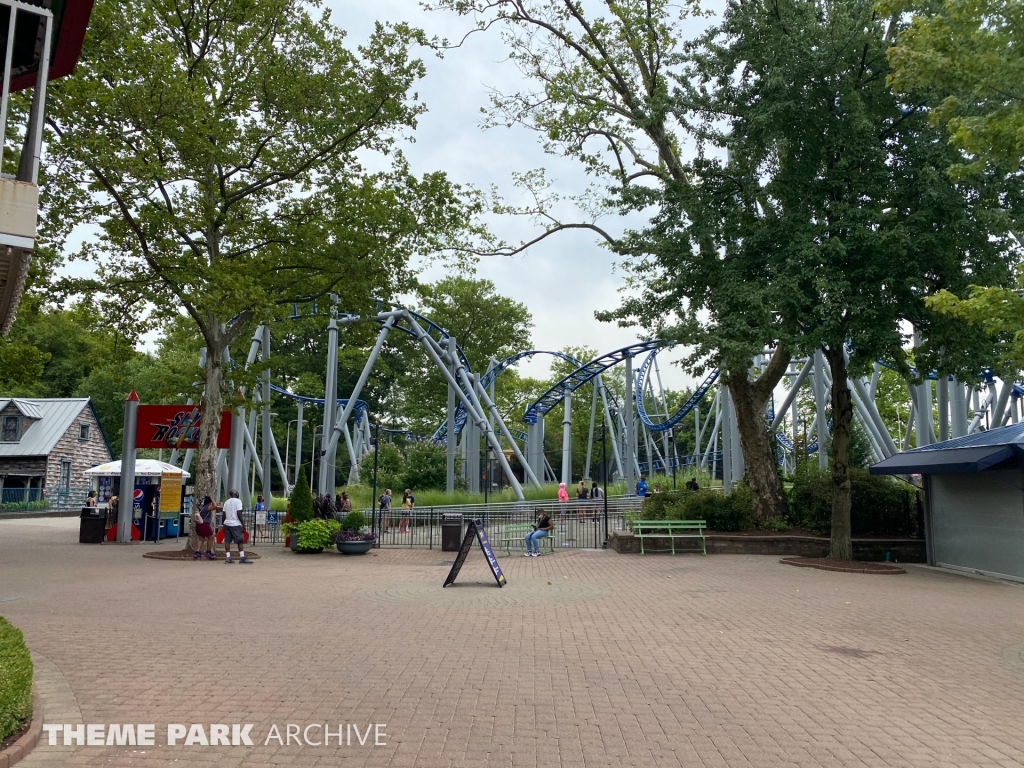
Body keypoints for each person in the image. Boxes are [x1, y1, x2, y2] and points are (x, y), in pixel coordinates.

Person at [221, 489, 252, 564]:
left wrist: (223, 523)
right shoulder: (238, 501)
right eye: (237, 493)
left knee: (227, 541)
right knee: (240, 541)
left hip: (227, 524)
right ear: (236, 494)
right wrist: (243, 524)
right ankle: (242, 557)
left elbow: (224, 514)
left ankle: (228, 558)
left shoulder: (226, 502)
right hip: (235, 523)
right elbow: (239, 513)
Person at [193, 496, 216, 561]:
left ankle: (197, 552)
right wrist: (212, 499)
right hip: (205, 525)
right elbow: (215, 506)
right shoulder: (207, 507)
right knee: (211, 537)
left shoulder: (200, 507)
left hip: (199, 525)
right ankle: (208, 552)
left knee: (201, 539)